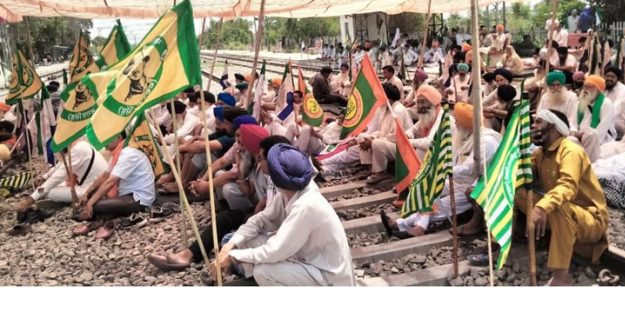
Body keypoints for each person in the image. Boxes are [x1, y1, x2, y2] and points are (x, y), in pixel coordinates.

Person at [212, 143, 355, 286]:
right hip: (308, 260)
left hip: (329, 277)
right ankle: (255, 282)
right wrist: (231, 244)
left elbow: (274, 251)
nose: (260, 165)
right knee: (245, 241)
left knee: (264, 271)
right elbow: (261, 220)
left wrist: (233, 257)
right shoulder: (290, 192)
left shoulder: (305, 205)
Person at [148, 135, 289, 272]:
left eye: (262, 158)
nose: (237, 141)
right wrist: (240, 167)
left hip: (278, 230)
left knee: (230, 238)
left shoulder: (284, 182)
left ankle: (227, 266)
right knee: (225, 218)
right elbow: (253, 194)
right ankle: (187, 255)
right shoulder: (250, 159)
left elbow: (276, 219)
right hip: (265, 214)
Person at [517, 109, 608, 286]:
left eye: (538, 122)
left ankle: (561, 278)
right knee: (519, 194)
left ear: (553, 127)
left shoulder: (570, 151)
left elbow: (568, 186)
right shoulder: (540, 153)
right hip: (564, 213)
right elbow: (525, 176)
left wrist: (542, 207)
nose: (533, 126)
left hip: (591, 219)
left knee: (558, 207)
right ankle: (504, 245)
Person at [383, 103, 501, 238]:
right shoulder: (465, 135)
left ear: (466, 123)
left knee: (442, 205)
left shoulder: (486, 141)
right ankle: (407, 225)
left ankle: (408, 225)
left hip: (476, 184)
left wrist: (443, 171)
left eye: (457, 119)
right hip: (458, 179)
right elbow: (454, 160)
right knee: (425, 188)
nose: (455, 122)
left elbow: (468, 169)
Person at [74, 132, 156, 239]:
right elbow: (104, 176)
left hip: (139, 198)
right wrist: (87, 193)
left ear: (119, 137)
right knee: (93, 195)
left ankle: (101, 221)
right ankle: (99, 218)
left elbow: (110, 181)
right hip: (125, 194)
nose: (104, 142)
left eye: (108, 138)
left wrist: (89, 204)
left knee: (96, 204)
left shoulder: (128, 154)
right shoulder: (118, 153)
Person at [369, 85, 441, 183]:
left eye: (424, 102)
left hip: (440, 155)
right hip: (400, 143)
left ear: (433, 102)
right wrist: (407, 135)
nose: (420, 106)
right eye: (419, 103)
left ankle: (412, 181)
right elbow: (413, 130)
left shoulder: (441, 117)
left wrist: (407, 140)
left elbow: (429, 142)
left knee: (419, 149)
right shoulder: (428, 114)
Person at [17, 138, 109, 211]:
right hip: (93, 185)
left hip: (90, 190)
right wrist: (44, 178)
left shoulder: (77, 151)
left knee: (50, 192)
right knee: (49, 186)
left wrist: (32, 198)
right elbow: (60, 166)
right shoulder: (81, 145)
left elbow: (57, 176)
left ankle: (57, 201)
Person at [570, 75, 616, 162]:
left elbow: (601, 130)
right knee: (569, 140)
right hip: (579, 137)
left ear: (598, 90)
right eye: (585, 86)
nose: (586, 89)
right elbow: (573, 123)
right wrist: (574, 133)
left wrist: (585, 136)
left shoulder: (606, 104)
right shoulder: (579, 103)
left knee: (592, 137)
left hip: (601, 141)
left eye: (590, 87)